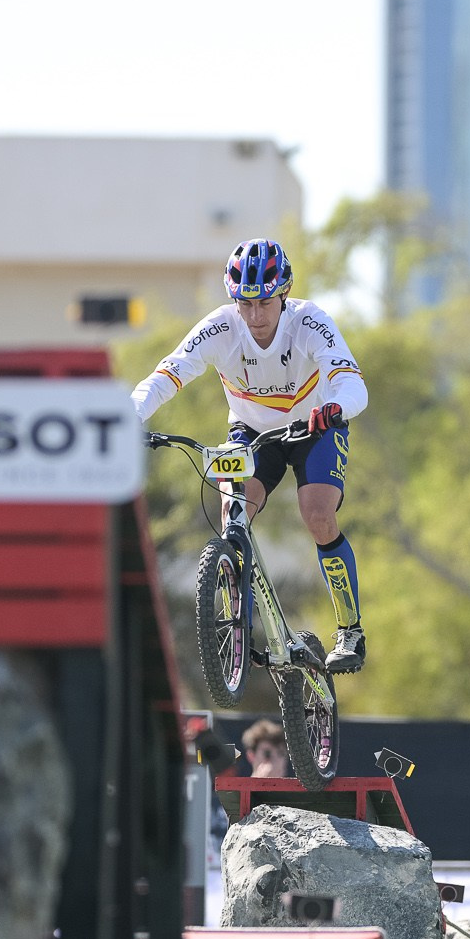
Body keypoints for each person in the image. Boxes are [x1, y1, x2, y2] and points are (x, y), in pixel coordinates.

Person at [132, 239, 370, 673]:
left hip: (312, 427)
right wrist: (127, 417)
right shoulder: (220, 327)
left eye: (265, 303)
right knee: (233, 511)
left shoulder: (310, 322)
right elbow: (167, 375)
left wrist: (335, 408)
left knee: (317, 514)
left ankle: (349, 630)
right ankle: (239, 617)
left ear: (283, 295)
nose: (256, 316)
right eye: (245, 304)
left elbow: (353, 384)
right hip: (251, 431)